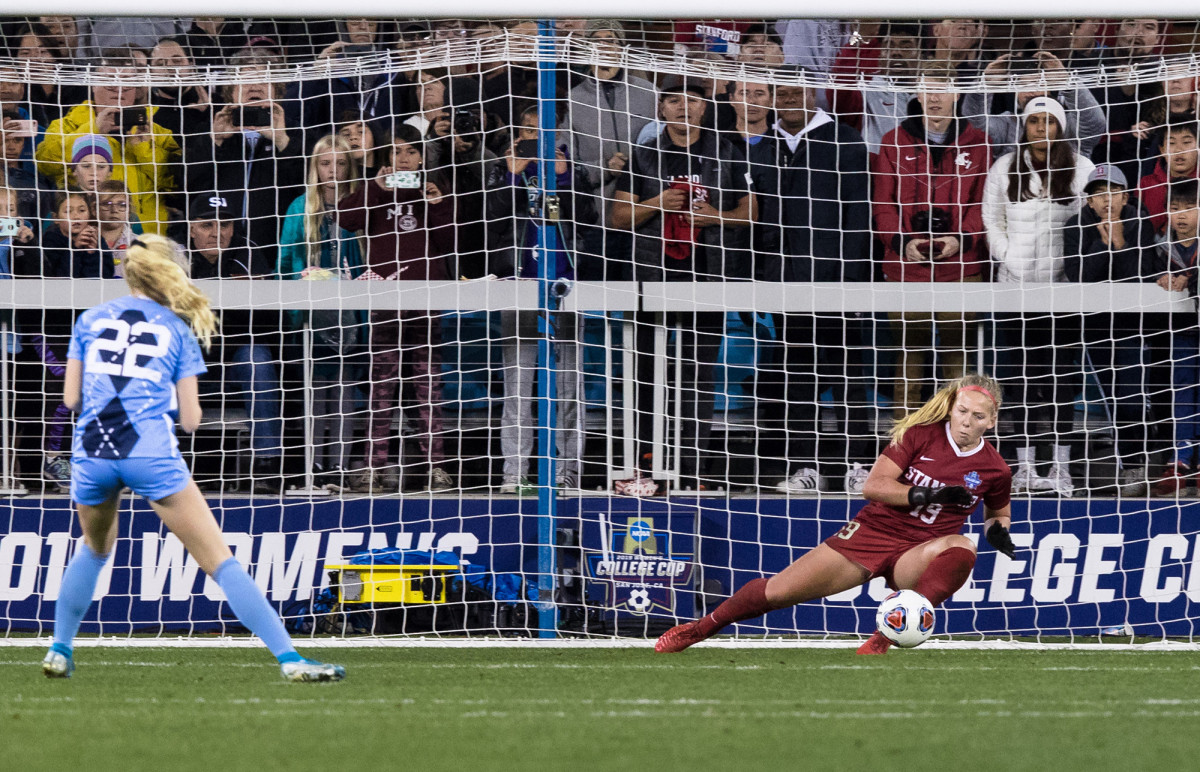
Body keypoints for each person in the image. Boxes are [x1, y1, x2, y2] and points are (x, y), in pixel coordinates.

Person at [40, 233, 344, 682]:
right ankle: (290, 660)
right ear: (172, 273)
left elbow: (71, 399)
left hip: (93, 452)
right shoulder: (177, 329)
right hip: (149, 452)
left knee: (94, 548)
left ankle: (60, 649)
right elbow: (191, 420)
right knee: (220, 561)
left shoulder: (89, 319)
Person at [655, 373, 1015, 656]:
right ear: (951, 408)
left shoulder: (995, 468)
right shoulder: (919, 435)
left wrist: (998, 531)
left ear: (992, 421)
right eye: (962, 411)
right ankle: (699, 629)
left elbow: (997, 514)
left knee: (962, 546)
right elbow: (874, 486)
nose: (967, 421)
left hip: (919, 552)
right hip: (872, 533)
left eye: (978, 416)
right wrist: (926, 494)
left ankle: (882, 639)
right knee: (777, 592)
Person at [982, 96, 1094, 496]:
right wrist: (1009, 257)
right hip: (1015, 291)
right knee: (1020, 382)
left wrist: (1073, 270)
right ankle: (1026, 467)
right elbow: (991, 218)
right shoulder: (1004, 167)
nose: (1041, 128)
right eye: (1034, 122)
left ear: (1061, 126)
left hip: (1063, 294)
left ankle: (1061, 468)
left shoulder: (1082, 168)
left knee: (1063, 382)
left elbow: (1091, 220)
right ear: (1024, 127)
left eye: (1049, 121)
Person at [336, 124, 456, 494]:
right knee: (381, 387)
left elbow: (453, 242)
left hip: (424, 300)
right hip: (385, 301)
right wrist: (376, 188)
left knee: (427, 387)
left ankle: (434, 466)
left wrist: (436, 205)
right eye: (396, 152)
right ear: (385, 158)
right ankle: (374, 467)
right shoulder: (373, 192)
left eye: (410, 152)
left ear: (421, 158)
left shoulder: (434, 192)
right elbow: (344, 217)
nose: (403, 159)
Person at [873, 61, 991, 422]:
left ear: (957, 94)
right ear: (917, 94)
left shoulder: (979, 141)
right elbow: (882, 203)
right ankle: (904, 443)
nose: (934, 97)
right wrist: (901, 241)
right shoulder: (893, 141)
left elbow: (984, 202)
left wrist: (961, 239)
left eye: (942, 89)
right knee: (909, 357)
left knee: (958, 357)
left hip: (962, 266)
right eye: (927, 89)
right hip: (906, 267)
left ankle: (958, 444)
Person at [1063, 164, 1158, 496]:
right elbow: (1078, 278)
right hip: (1096, 323)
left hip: (1132, 324)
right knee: (1113, 397)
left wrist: (1119, 242)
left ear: (1126, 196)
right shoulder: (1075, 225)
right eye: (1098, 193)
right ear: (1089, 201)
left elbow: (1142, 275)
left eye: (1113, 192)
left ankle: (1135, 467)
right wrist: (1104, 246)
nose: (1106, 200)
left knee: (1132, 395)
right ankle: (1126, 464)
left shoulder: (1138, 221)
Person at [278, 134, 366, 489]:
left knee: (343, 393)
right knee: (315, 392)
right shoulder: (300, 207)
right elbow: (283, 261)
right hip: (312, 317)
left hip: (354, 313)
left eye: (340, 163)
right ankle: (314, 469)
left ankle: (339, 470)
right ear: (315, 167)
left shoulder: (361, 203)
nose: (332, 170)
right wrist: (299, 280)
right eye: (326, 163)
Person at [34, 49, 179, 235]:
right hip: (84, 237)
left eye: (127, 83)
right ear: (93, 84)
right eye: (110, 82)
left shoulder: (156, 130)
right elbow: (45, 164)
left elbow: (174, 184)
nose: (119, 90)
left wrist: (144, 149)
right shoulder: (66, 125)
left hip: (143, 240)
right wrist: (92, 131)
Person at [1151, 179, 1200, 496]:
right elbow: (1137, 270)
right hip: (1179, 332)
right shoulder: (1156, 246)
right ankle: (1180, 461)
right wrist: (1158, 276)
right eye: (1174, 208)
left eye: (1189, 208)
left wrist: (1191, 280)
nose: (1180, 215)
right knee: (1182, 393)